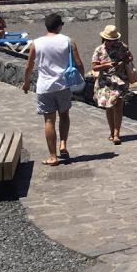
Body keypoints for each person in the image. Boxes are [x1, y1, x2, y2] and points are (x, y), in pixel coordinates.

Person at [22, 13, 84, 167]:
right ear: (59, 26)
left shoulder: (36, 43)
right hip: (63, 85)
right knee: (64, 115)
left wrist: (26, 82)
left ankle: (52, 156)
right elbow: (78, 63)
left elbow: (29, 66)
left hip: (44, 87)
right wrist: (81, 78)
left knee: (49, 120)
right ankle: (63, 143)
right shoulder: (68, 41)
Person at [90, 25, 135, 145]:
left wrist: (123, 62)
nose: (111, 43)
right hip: (105, 81)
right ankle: (111, 132)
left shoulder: (122, 46)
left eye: (113, 40)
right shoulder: (99, 50)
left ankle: (116, 134)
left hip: (120, 80)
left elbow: (130, 57)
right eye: (109, 40)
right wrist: (107, 65)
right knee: (109, 106)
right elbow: (94, 66)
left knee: (118, 106)